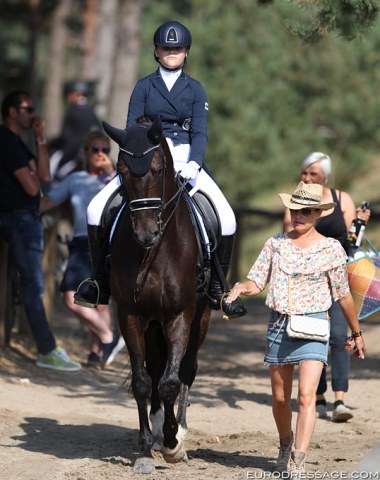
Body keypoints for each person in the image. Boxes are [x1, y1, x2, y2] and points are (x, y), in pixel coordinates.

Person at [74, 20, 247, 320]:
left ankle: (218, 286)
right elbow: (130, 130)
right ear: (156, 51)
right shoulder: (144, 85)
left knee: (227, 216)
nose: (171, 52)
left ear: (186, 53)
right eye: (166, 48)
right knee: (94, 208)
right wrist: (136, 162)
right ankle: (99, 281)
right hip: (147, 158)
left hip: (184, 158)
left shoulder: (195, 89)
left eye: (177, 48)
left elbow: (201, 133)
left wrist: (194, 162)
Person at [226, 181, 366, 473]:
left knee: (306, 396)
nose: (299, 215)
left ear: (318, 214)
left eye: (307, 211)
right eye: (295, 210)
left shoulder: (332, 249)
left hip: (315, 325)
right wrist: (241, 287)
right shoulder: (275, 244)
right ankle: (285, 443)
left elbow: (342, 294)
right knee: (280, 398)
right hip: (279, 325)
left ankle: (298, 462)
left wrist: (356, 332)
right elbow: (257, 281)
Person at [283, 152, 371, 422]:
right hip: (307, 279)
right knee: (311, 334)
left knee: (338, 335)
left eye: (314, 174)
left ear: (326, 176)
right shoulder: (295, 199)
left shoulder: (341, 198)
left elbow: (352, 241)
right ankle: (317, 396)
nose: (308, 178)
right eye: (305, 173)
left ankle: (340, 399)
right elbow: (290, 233)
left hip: (336, 275)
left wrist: (359, 223)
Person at [0, 90, 81, 372]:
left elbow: (44, 177)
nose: (32, 114)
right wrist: (33, 177)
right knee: (33, 285)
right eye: (26, 109)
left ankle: (43, 345)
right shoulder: (6, 141)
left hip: (28, 218)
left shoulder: (21, 144)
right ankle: (46, 349)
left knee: (29, 284)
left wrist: (40, 139)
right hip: (19, 219)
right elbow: (33, 188)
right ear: (12, 112)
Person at [40, 130, 125, 368]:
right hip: (81, 243)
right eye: (95, 150)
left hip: (109, 245)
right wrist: (27, 210)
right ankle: (109, 338)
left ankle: (96, 352)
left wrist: (111, 172)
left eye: (105, 150)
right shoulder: (75, 179)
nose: (100, 154)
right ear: (86, 153)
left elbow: (130, 199)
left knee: (101, 301)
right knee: (70, 297)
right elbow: (50, 200)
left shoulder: (117, 179)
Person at [50, 80, 100, 185]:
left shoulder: (71, 111)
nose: (68, 97)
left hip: (71, 149)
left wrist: (52, 143)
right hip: (88, 148)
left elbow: (64, 135)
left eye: (70, 94)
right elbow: (98, 130)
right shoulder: (92, 111)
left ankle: (52, 187)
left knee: (52, 168)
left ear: (77, 94)